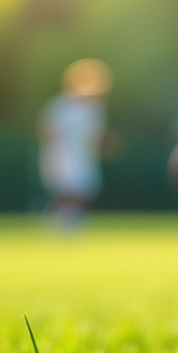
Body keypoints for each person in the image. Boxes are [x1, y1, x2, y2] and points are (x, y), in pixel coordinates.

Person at [38, 59, 114, 230]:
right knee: (69, 193)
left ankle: (67, 224)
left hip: (83, 158)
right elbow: (47, 130)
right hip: (62, 157)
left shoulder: (94, 109)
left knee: (81, 193)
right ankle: (59, 224)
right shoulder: (61, 105)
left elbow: (95, 136)